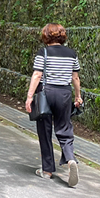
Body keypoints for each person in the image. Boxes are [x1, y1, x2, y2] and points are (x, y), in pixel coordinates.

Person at [25, 23, 83, 186]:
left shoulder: (43, 52)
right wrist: (78, 96)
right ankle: (70, 160)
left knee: (44, 130)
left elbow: (37, 74)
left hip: (46, 92)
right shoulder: (71, 54)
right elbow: (75, 78)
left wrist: (30, 97)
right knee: (64, 128)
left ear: (46, 35)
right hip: (64, 93)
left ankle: (47, 170)